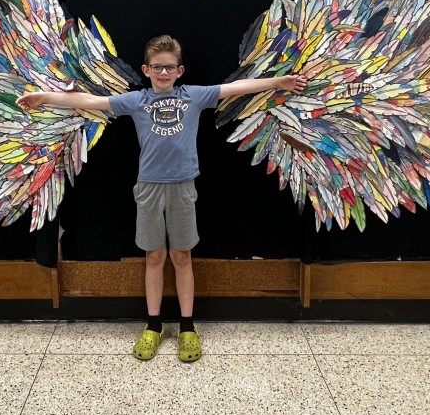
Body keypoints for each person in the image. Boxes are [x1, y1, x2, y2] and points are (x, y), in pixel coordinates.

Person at [16, 34, 308, 362]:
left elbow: (237, 88)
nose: (164, 73)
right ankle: (153, 326)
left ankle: (187, 327)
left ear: (180, 70)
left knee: (182, 257)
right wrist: (44, 97)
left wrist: (279, 82)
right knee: (154, 258)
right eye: (157, 67)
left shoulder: (194, 96)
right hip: (149, 188)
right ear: (146, 69)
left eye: (169, 67)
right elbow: (90, 102)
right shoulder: (137, 100)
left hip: (183, 187)